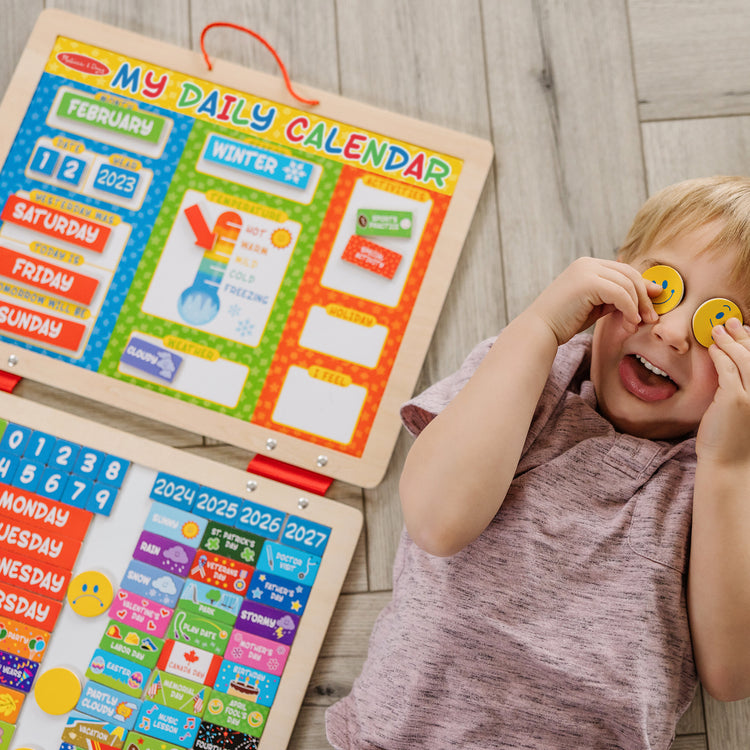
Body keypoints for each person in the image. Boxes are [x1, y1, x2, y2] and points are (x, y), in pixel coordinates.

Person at [325, 176, 750, 749]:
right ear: (612, 275)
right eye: (662, 288)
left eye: (719, 328)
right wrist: (539, 326)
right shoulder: (525, 372)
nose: (673, 332)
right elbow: (436, 523)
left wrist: (727, 464)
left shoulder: (725, 480)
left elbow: (731, 674)